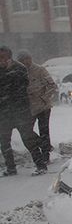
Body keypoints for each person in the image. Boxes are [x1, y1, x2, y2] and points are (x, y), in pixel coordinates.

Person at [0, 46, 47, 176]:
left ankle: (41, 165)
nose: (1, 60)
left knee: (28, 139)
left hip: (20, 111)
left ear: (9, 56)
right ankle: (11, 168)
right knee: (4, 142)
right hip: (4, 114)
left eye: (3, 57)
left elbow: (21, 88)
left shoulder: (19, 69)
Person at [16, 50, 57, 164]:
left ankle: (45, 156)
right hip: (28, 108)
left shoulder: (39, 70)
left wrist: (43, 98)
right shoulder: (18, 72)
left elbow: (52, 85)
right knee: (27, 131)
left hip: (43, 107)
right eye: (22, 60)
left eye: (27, 59)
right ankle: (43, 146)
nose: (26, 62)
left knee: (44, 131)